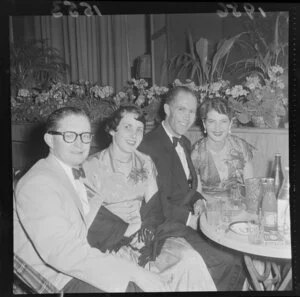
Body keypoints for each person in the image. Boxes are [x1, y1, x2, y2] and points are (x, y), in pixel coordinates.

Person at [13, 106, 169, 293]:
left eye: (85, 136)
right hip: (59, 279)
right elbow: (64, 253)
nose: (80, 144)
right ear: (50, 140)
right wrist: (133, 273)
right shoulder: (38, 183)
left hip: (78, 263)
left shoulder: (68, 172)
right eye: (69, 136)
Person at [83, 105, 216, 291]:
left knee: (189, 259)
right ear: (113, 130)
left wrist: (145, 233)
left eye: (139, 130)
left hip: (146, 235)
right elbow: (89, 221)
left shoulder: (145, 162)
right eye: (127, 127)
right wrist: (127, 232)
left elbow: (155, 209)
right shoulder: (91, 166)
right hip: (108, 242)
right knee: (146, 281)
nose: (134, 135)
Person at [138, 86, 246, 291]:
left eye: (192, 111)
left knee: (236, 256)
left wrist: (197, 198)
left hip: (183, 221)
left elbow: (185, 186)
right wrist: (191, 220)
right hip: (165, 227)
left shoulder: (185, 142)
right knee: (229, 261)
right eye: (181, 110)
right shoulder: (148, 146)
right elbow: (156, 203)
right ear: (167, 109)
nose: (187, 117)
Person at [191, 97, 256, 194]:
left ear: (230, 123)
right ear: (204, 124)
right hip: (207, 206)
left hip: (239, 205)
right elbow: (197, 196)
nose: (218, 128)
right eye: (212, 121)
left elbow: (251, 189)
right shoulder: (196, 153)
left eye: (223, 121)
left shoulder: (241, 147)